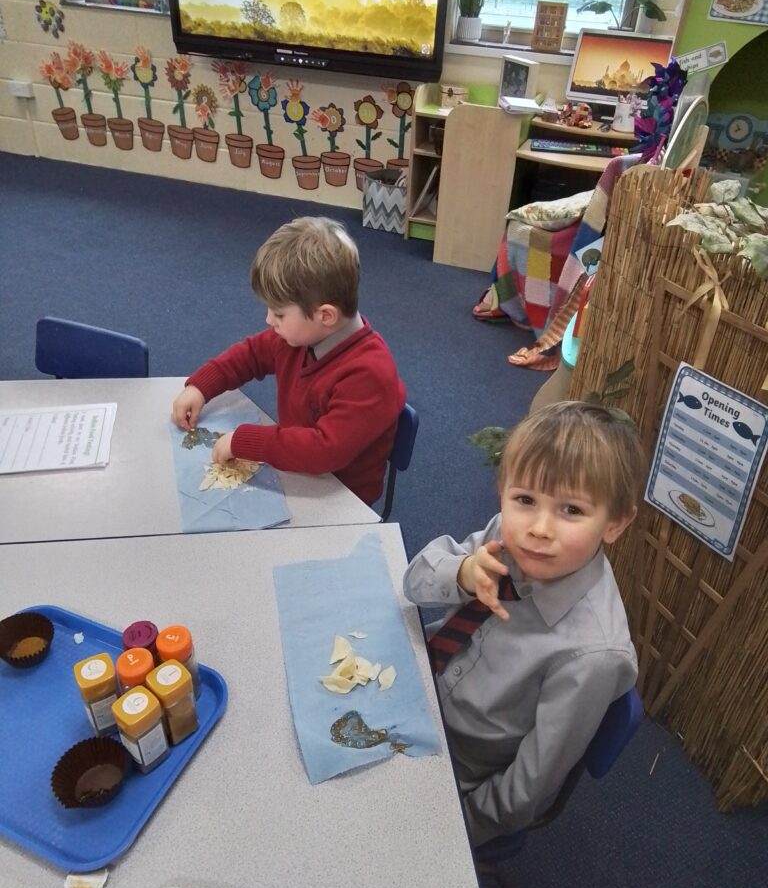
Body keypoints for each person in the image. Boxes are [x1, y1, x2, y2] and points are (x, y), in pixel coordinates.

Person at [403, 401, 645, 846]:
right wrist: (462, 572)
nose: (539, 528)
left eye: (571, 510)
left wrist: (449, 838)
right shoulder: (505, 536)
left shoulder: (592, 655)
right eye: (525, 500)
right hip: (413, 686)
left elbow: (528, 791)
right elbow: (415, 581)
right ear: (503, 494)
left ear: (615, 523)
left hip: (454, 765)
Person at [172, 216, 406, 505]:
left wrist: (244, 441)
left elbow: (324, 451)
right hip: (297, 471)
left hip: (339, 497)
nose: (269, 320)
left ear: (326, 316)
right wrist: (200, 387)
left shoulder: (370, 374)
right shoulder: (299, 336)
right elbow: (250, 355)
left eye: (279, 314)